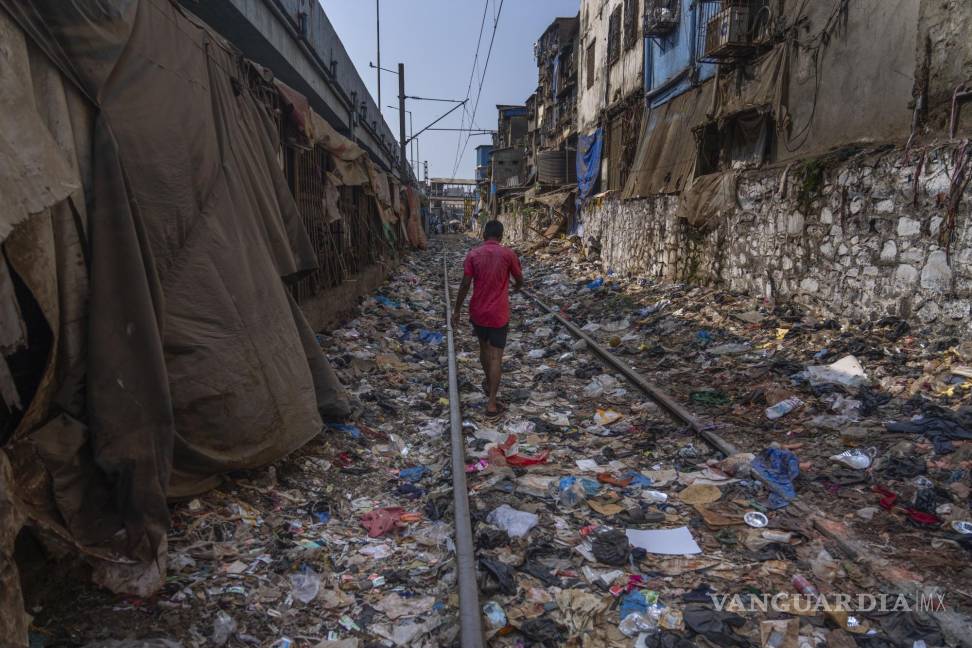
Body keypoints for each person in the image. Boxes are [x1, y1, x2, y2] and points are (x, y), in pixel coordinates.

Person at [452, 220, 523, 417]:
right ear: (501, 236)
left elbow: (465, 283)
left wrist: (457, 310)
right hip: (499, 314)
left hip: (478, 313)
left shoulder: (473, 254)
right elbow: (519, 279)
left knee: (484, 349)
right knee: (496, 357)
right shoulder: (508, 254)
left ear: (484, 235)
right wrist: (515, 287)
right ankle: (491, 402)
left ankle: (488, 380)